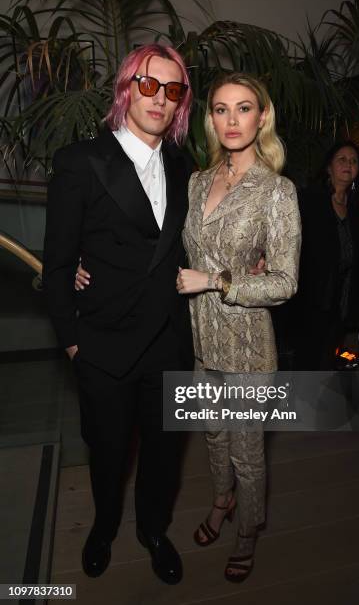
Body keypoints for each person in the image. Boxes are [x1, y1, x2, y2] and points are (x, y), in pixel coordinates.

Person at [42, 44, 194, 585]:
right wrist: (73, 342)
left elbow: (188, 246)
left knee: (162, 456)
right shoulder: (81, 161)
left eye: (172, 90)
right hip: (102, 346)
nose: (160, 98)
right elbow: (57, 264)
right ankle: (103, 527)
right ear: (127, 88)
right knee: (107, 454)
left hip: (168, 343)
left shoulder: (184, 167)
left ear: (181, 104)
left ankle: (153, 530)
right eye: (149, 85)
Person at [175, 72, 301, 582]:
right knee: (212, 435)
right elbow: (178, 251)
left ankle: (247, 530)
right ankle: (221, 501)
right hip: (201, 339)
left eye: (243, 108)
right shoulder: (198, 180)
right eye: (221, 109)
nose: (232, 120)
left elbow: (286, 281)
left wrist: (218, 281)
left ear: (262, 116)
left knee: (248, 451)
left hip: (248, 346)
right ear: (210, 118)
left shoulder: (277, 190)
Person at [289, 140, 359, 370]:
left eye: (354, 161)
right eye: (342, 159)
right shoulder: (310, 200)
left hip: (342, 300)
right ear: (329, 167)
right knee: (307, 362)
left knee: (328, 362)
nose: (348, 164)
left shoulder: (354, 209)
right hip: (312, 299)